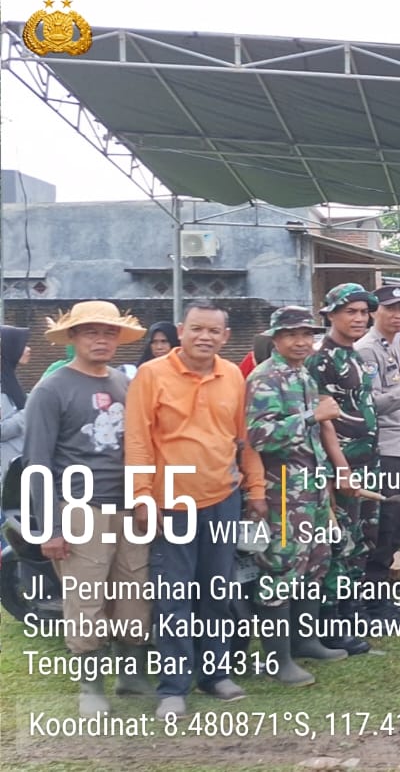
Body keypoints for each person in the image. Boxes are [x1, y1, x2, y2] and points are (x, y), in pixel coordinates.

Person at [125, 302, 268, 718]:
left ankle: (215, 674)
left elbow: (244, 439)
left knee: (216, 592)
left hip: (223, 498)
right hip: (171, 502)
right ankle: (173, 687)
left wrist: (256, 487)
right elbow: (138, 440)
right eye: (197, 329)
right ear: (181, 331)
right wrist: (142, 496)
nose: (205, 337)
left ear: (226, 337)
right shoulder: (152, 375)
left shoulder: (233, 376)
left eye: (214, 331)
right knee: (174, 597)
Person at [24, 301, 149, 716]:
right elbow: (37, 461)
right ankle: (90, 686)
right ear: (73, 337)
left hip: (127, 507)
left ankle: (131, 675)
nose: (101, 340)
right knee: (86, 597)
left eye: (109, 332)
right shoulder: (51, 389)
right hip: (80, 508)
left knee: (134, 594)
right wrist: (49, 528)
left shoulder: (124, 383)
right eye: (91, 332)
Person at [246, 306, 354, 690]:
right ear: (276, 338)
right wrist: (311, 416)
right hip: (282, 492)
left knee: (314, 563)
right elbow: (259, 436)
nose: (301, 341)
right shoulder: (265, 378)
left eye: (307, 334)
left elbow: (316, 437)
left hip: (312, 489)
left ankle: (304, 640)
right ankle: (278, 658)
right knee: (281, 568)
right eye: (292, 334)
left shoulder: (303, 375)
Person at [306, 284, 393, 625]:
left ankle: (354, 612)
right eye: (350, 312)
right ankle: (333, 620)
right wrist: (337, 470)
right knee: (339, 541)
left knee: (363, 539)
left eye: (363, 312)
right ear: (330, 315)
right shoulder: (320, 360)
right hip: (341, 467)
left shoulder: (354, 355)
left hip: (367, 462)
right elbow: (323, 420)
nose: (359, 318)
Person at [354, 283, 400, 612]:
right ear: (375, 312)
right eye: (390, 308)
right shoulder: (367, 350)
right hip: (381, 448)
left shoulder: (391, 346)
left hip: (398, 448)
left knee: (396, 521)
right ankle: (372, 602)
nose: (398, 315)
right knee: (384, 524)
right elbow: (367, 404)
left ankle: (379, 596)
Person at [1, 324, 31, 471]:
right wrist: (27, 413)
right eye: (23, 345)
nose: (28, 349)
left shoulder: (11, 382)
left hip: (19, 466)